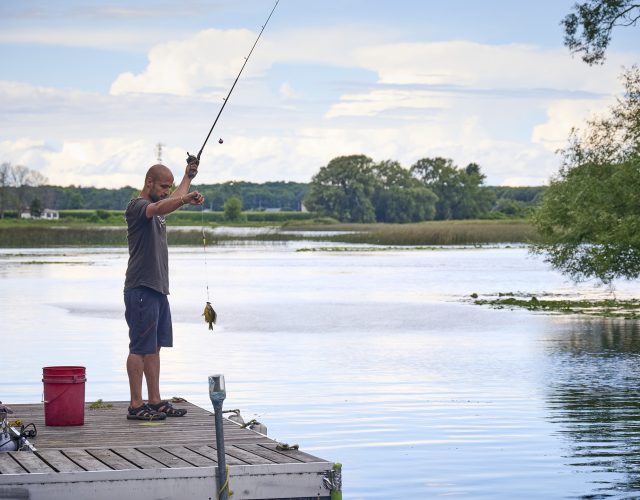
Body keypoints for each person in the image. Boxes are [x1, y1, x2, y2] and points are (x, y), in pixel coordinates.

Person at [123, 160, 204, 420]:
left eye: (170, 187)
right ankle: (136, 405)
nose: (168, 191)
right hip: (141, 288)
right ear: (149, 183)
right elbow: (160, 206)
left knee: (154, 347)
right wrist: (185, 200)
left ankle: (155, 401)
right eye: (163, 186)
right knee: (139, 348)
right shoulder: (139, 207)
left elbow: (168, 202)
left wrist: (187, 178)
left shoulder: (159, 207)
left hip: (158, 289)